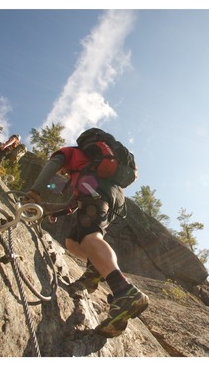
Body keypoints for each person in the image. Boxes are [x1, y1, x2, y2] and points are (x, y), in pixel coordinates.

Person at [25, 143, 148, 338]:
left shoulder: (70, 153)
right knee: (73, 242)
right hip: (107, 198)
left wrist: (34, 191)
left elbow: (53, 164)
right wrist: (54, 213)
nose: (64, 173)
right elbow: (74, 204)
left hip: (97, 194)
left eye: (64, 171)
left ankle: (125, 291)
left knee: (90, 237)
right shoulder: (85, 171)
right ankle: (95, 272)